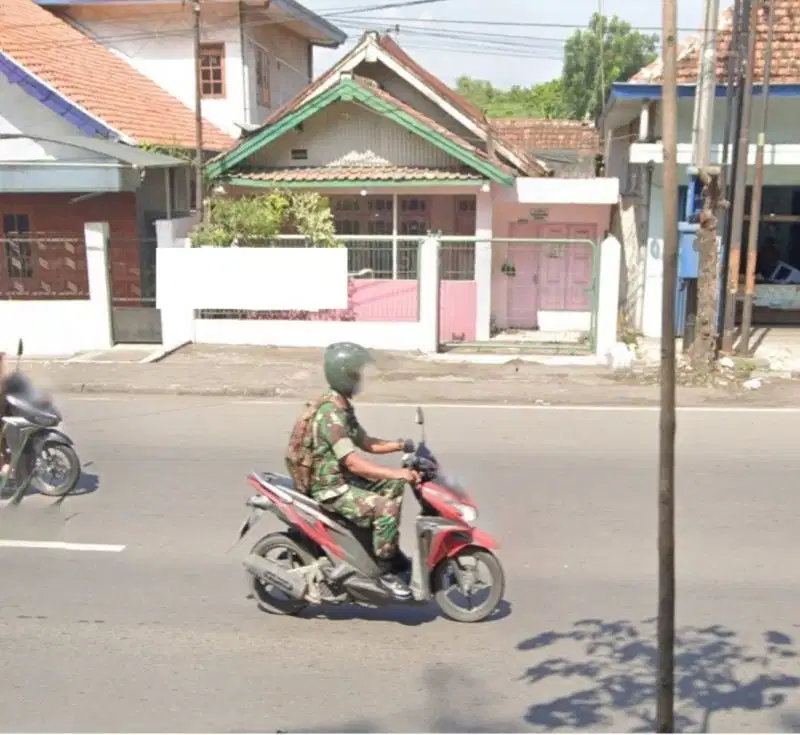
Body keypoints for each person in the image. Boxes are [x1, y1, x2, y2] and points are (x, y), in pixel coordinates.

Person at [285, 342, 419, 600]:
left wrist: (400, 445)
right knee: (385, 507)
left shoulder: (342, 405)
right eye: (357, 374)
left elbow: (365, 442)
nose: (361, 379)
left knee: (393, 487)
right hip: (331, 488)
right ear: (343, 374)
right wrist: (395, 472)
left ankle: (383, 547)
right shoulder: (330, 414)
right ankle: (384, 572)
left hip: (342, 479)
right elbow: (353, 462)